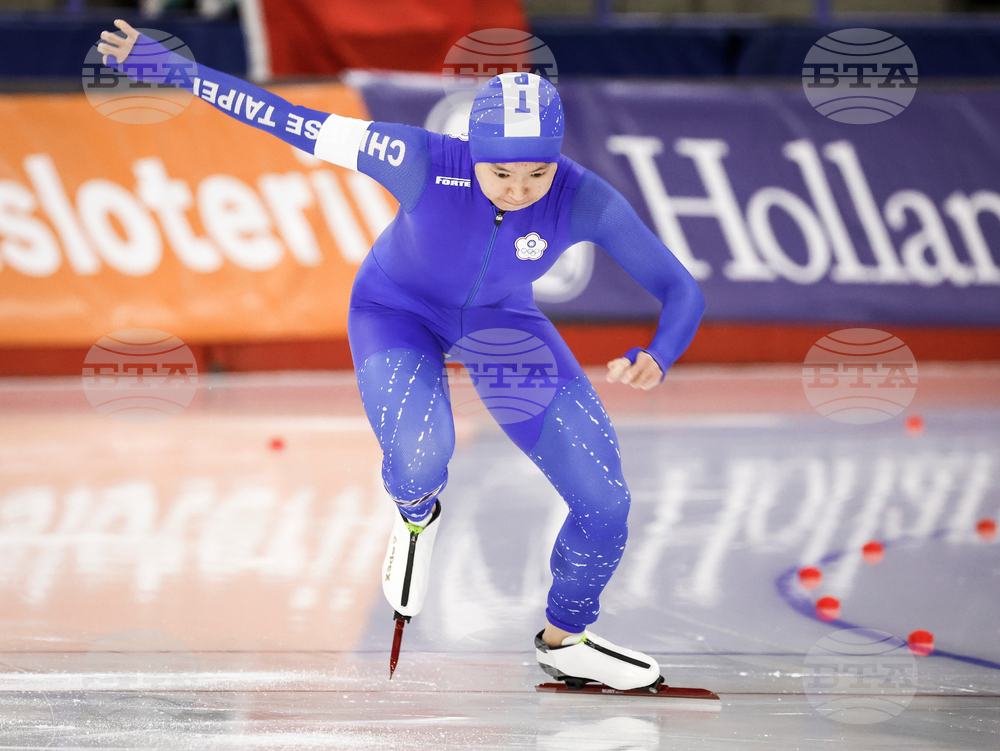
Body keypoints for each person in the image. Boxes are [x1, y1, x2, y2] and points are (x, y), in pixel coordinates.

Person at [99, 19, 705, 691]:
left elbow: (679, 287)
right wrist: (179, 71)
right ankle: (416, 510)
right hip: (396, 312)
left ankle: (567, 637)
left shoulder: (582, 196)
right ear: (471, 148)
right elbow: (286, 117)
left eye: (538, 171)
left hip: (501, 325)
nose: (518, 187)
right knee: (422, 457)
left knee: (605, 502)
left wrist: (661, 350)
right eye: (500, 170)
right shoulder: (419, 157)